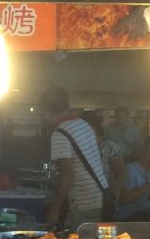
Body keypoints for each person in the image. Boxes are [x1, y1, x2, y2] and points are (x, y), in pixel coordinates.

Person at [39, 88, 108, 228]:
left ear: (47, 110)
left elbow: (68, 174)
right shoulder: (83, 125)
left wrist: (55, 208)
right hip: (100, 196)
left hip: (84, 203)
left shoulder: (60, 134)